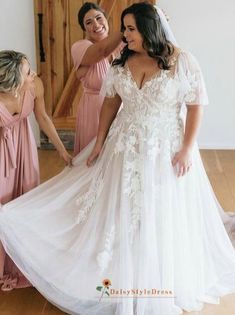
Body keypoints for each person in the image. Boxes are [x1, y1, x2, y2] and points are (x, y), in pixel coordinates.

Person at [0, 2, 235, 314]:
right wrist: (99, 143)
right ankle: (116, 268)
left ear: (149, 28)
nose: (124, 35)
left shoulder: (182, 61)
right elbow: (110, 103)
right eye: (124, 28)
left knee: (158, 208)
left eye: (130, 29)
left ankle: (157, 272)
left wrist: (188, 148)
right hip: (123, 145)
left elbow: (196, 105)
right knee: (120, 206)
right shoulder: (121, 62)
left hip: (165, 149)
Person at [0, 50, 72, 291]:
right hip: (2, 152)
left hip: (24, 146)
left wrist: (62, 150)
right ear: (12, 82)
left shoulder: (35, 85)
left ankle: (20, 264)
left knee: (26, 198)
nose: (34, 74)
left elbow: (43, 117)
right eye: (28, 72)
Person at [71, 2, 124, 155]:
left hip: (119, 109)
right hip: (93, 111)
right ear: (84, 29)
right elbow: (102, 50)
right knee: (91, 158)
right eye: (88, 22)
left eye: (99, 18)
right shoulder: (80, 47)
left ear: (106, 20)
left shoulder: (123, 45)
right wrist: (127, 25)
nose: (96, 24)